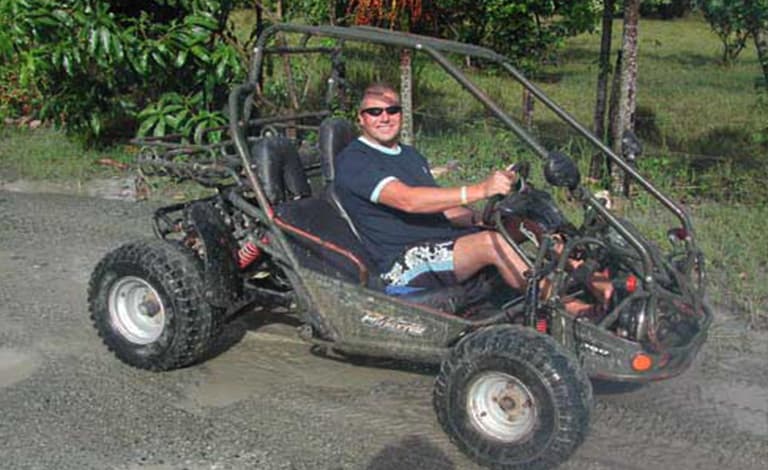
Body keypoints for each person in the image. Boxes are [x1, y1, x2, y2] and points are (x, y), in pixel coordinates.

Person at [334, 82, 611, 311]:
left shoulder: (409, 155)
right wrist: (481, 189)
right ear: (361, 119)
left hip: (441, 243)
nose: (384, 117)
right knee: (492, 243)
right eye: (374, 111)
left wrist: (481, 216)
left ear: (401, 114)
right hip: (402, 262)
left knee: (535, 225)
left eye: (392, 110)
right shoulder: (356, 160)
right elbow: (409, 200)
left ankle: (605, 293)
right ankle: (573, 311)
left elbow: (441, 207)